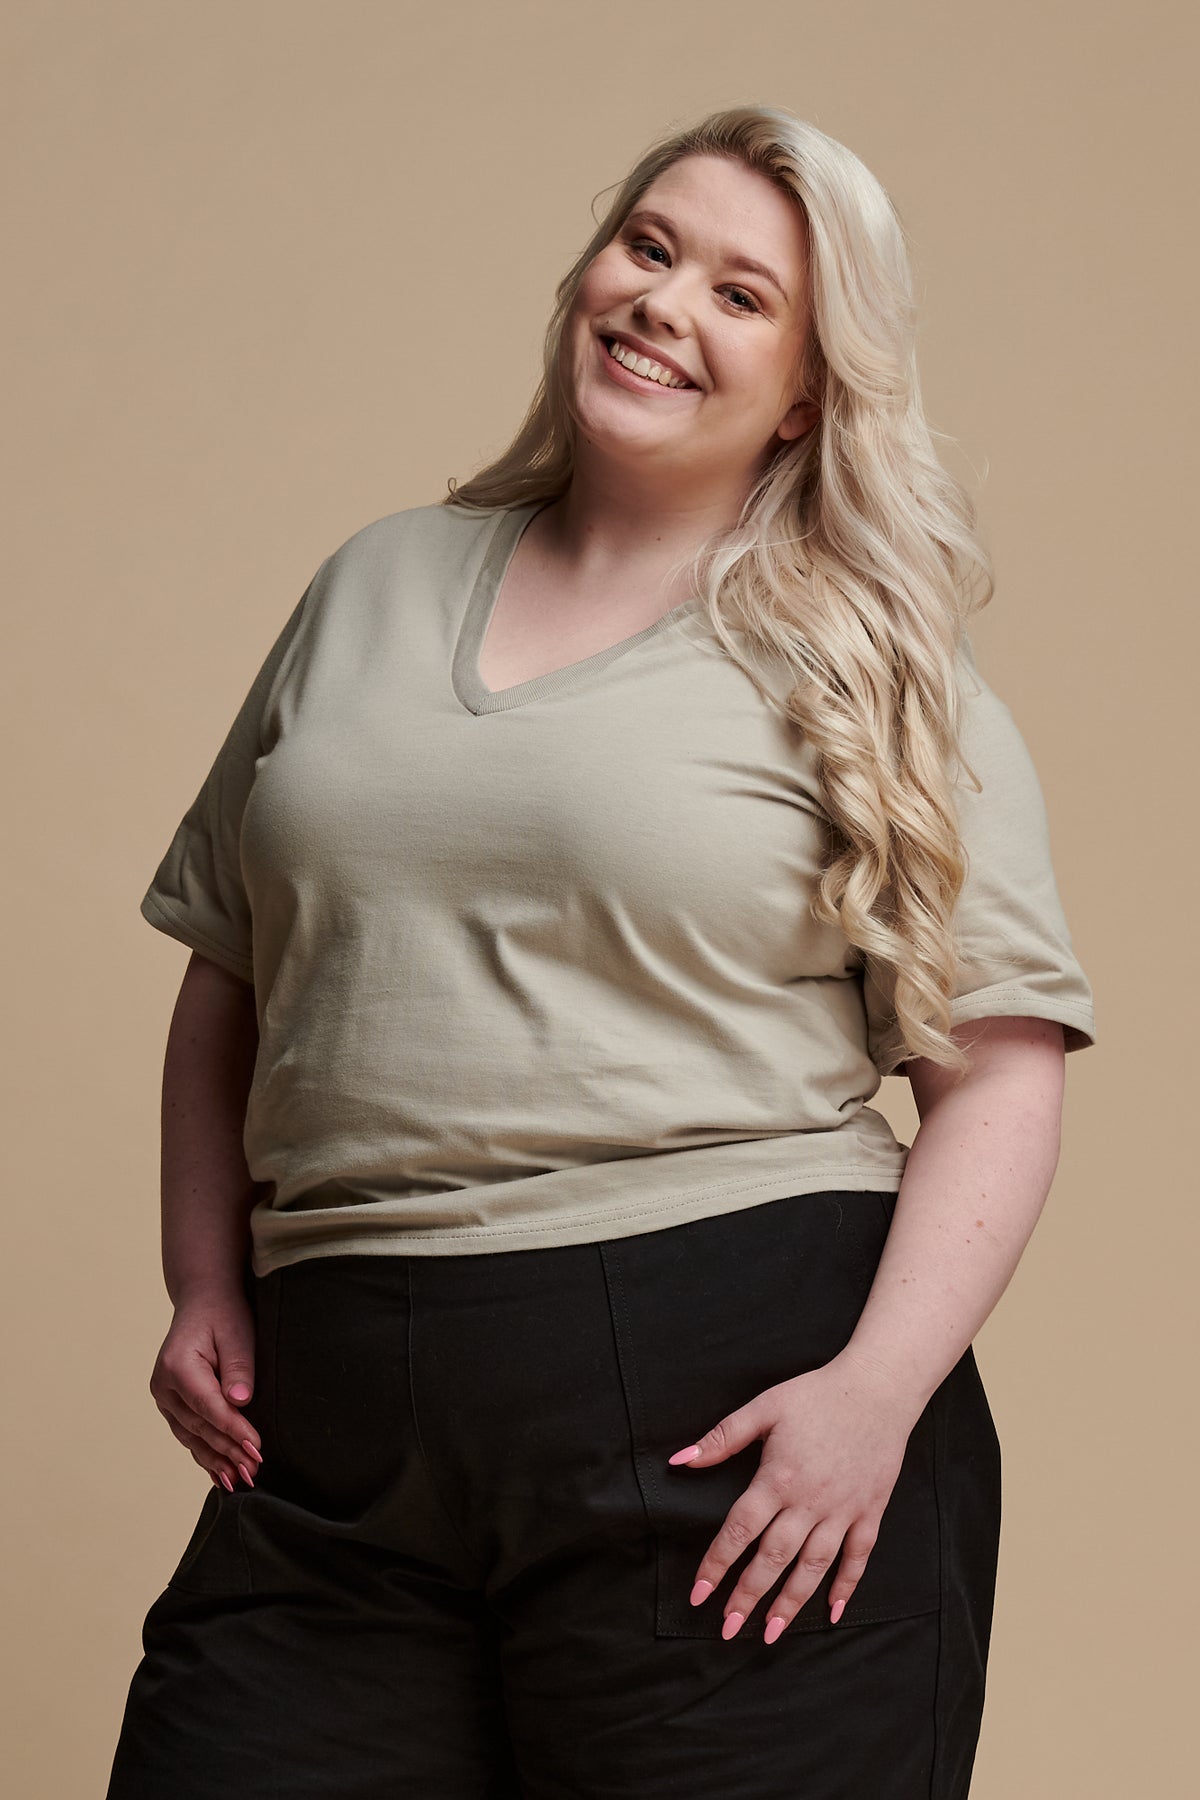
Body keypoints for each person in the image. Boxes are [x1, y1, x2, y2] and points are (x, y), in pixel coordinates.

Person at [106, 103, 1097, 1799]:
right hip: (336, 1417)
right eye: (648, 247)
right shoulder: (374, 583)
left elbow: (997, 1069)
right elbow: (235, 969)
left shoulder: (873, 660)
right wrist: (206, 1277)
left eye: (741, 293)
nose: (664, 304)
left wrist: (876, 1397)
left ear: (810, 391)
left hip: (730, 1409)